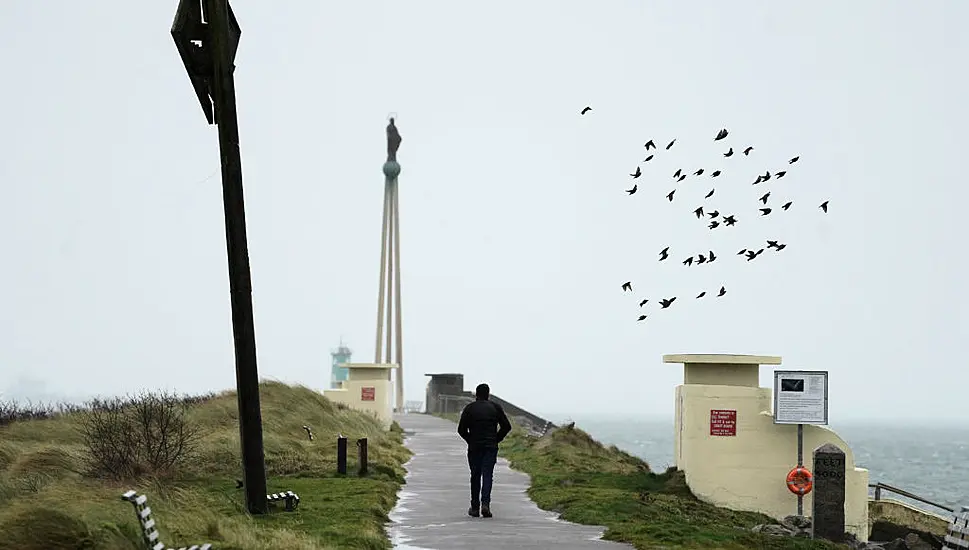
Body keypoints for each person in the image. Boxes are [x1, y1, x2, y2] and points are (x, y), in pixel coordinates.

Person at [457, 383, 512, 518]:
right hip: (490, 447)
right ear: (488, 394)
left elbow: (461, 430)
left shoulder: (469, 408)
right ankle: (486, 505)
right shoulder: (495, 407)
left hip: (475, 446)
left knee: (475, 475)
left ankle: (475, 507)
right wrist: (495, 439)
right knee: (487, 475)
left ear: (476, 394)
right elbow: (506, 426)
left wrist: (470, 440)